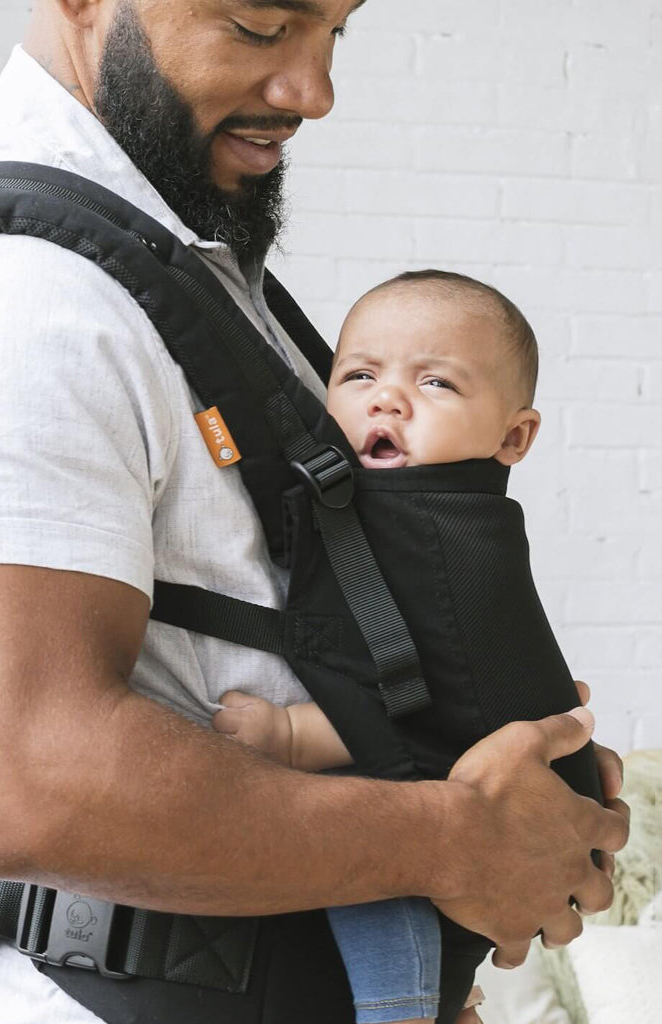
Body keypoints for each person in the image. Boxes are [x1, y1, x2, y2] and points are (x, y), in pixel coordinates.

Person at [0, 0, 629, 1021]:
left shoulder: (167, 262)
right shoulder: (13, 300)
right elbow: (28, 784)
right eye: (260, 23)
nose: (314, 89)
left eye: (336, 31)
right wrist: (461, 839)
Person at [213, 269, 546, 1024]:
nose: (386, 399)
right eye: (359, 374)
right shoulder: (388, 508)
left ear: (513, 436)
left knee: (379, 860)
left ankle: (405, 1009)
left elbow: (425, 695)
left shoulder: (449, 539)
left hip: (472, 813)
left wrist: (291, 735)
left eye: (436, 384)